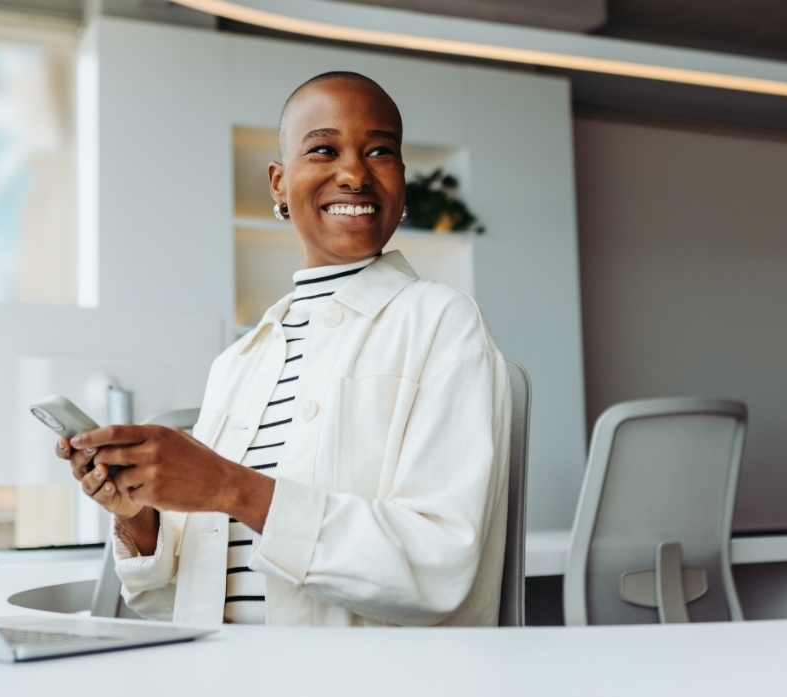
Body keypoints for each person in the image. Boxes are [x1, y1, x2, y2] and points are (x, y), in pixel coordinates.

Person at [57, 71, 511, 626]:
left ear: (402, 178)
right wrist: (140, 519)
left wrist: (231, 487)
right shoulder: (237, 364)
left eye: (380, 152)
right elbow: (181, 603)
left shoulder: (442, 321)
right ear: (278, 182)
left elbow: (440, 566)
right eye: (323, 149)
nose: (353, 173)